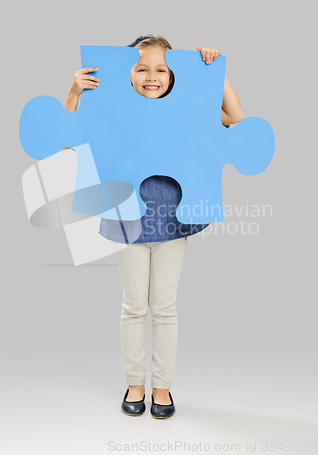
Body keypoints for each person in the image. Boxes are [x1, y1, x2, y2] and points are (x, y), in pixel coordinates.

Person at [64, 35, 244, 419]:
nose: (151, 76)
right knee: (133, 306)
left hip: (175, 217)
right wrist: (74, 90)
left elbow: (235, 118)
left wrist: (215, 71)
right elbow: (67, 139)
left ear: (173, 76)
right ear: (127, 76)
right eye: (141, 68)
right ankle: (135, 384)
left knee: (163, 307)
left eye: (161, 69)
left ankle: (161, 388)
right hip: (124, 216)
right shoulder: (110, 112)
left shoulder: (187, 111)